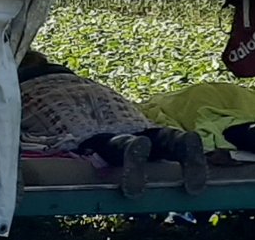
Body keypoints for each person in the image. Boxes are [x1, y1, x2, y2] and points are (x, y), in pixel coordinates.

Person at [18, 50, 210, 197]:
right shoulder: (81, 79)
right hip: (107, 101)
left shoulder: (20, 88)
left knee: (92, 140)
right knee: (143, 130)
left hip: (59, 110)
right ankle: (175, 140)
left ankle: (124, 147)